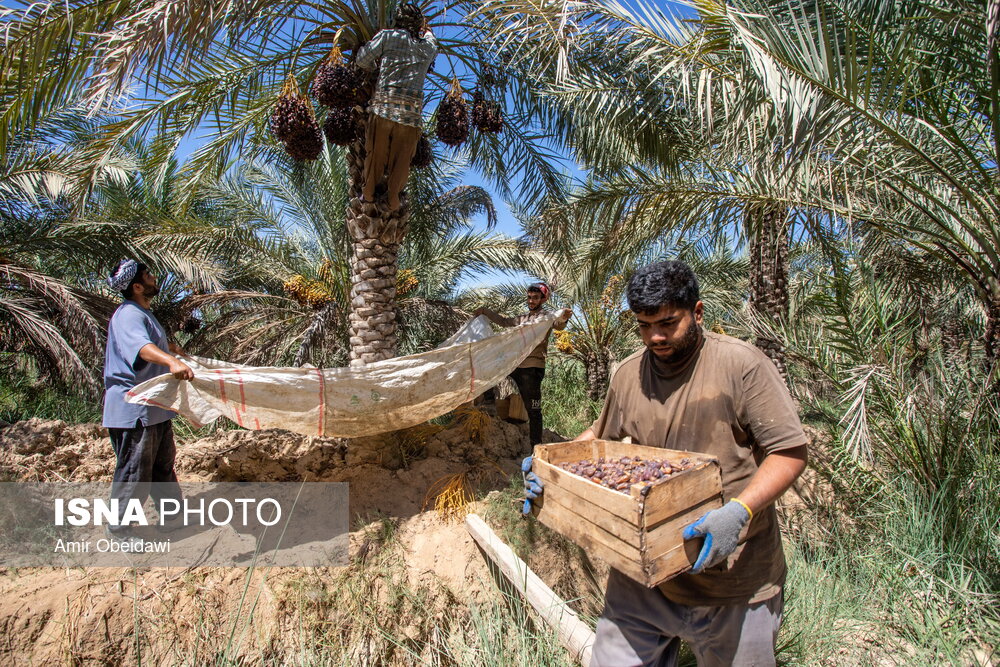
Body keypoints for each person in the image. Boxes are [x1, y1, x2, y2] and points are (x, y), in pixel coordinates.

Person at [522, 260, 808, 666]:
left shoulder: (742, 366)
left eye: (667, 323)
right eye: (643, 325)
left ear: (698, 312)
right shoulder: (627, 374)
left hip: (731, 585)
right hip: (642, 575)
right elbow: (596, 439)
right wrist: (550, 467)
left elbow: (790, 451)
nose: (654, 336)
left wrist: (738, 512)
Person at [103, 259, 194, 537]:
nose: (155, 277)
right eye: (149, 275)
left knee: (162, 466)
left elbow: (151, 341)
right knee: (135, 472)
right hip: (135, 409)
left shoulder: (144, 314)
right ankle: (119, 530)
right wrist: (171, 362)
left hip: (155, 408)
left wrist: (171, 348)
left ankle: (172, 518)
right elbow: (142, 348)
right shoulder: (128, 313)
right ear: (138, 286)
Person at [355, 2, 437, 211]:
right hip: (410, 118)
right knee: (401, 161)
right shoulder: (427, 47)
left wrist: (375, 68)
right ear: (417, 25)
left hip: (383, 110)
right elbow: (430, 37)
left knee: (376, 154)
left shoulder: (388, 36)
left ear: (397, 20)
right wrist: (426, 30)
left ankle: (368, 193)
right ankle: (393, 199)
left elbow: (362, 59)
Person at [474, 282, 571, 446]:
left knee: (534, 411)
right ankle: (489, 403)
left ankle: (535, 449)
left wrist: (564, 317)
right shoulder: (522, 319)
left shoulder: (546, 318)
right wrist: (484, 311)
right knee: (488, 368)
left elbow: (559, 325)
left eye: (535, 298)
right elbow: (504, 322)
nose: (531, 301)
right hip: (515, 365)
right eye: (529, 297)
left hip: (532, 370)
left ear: (543, 299)